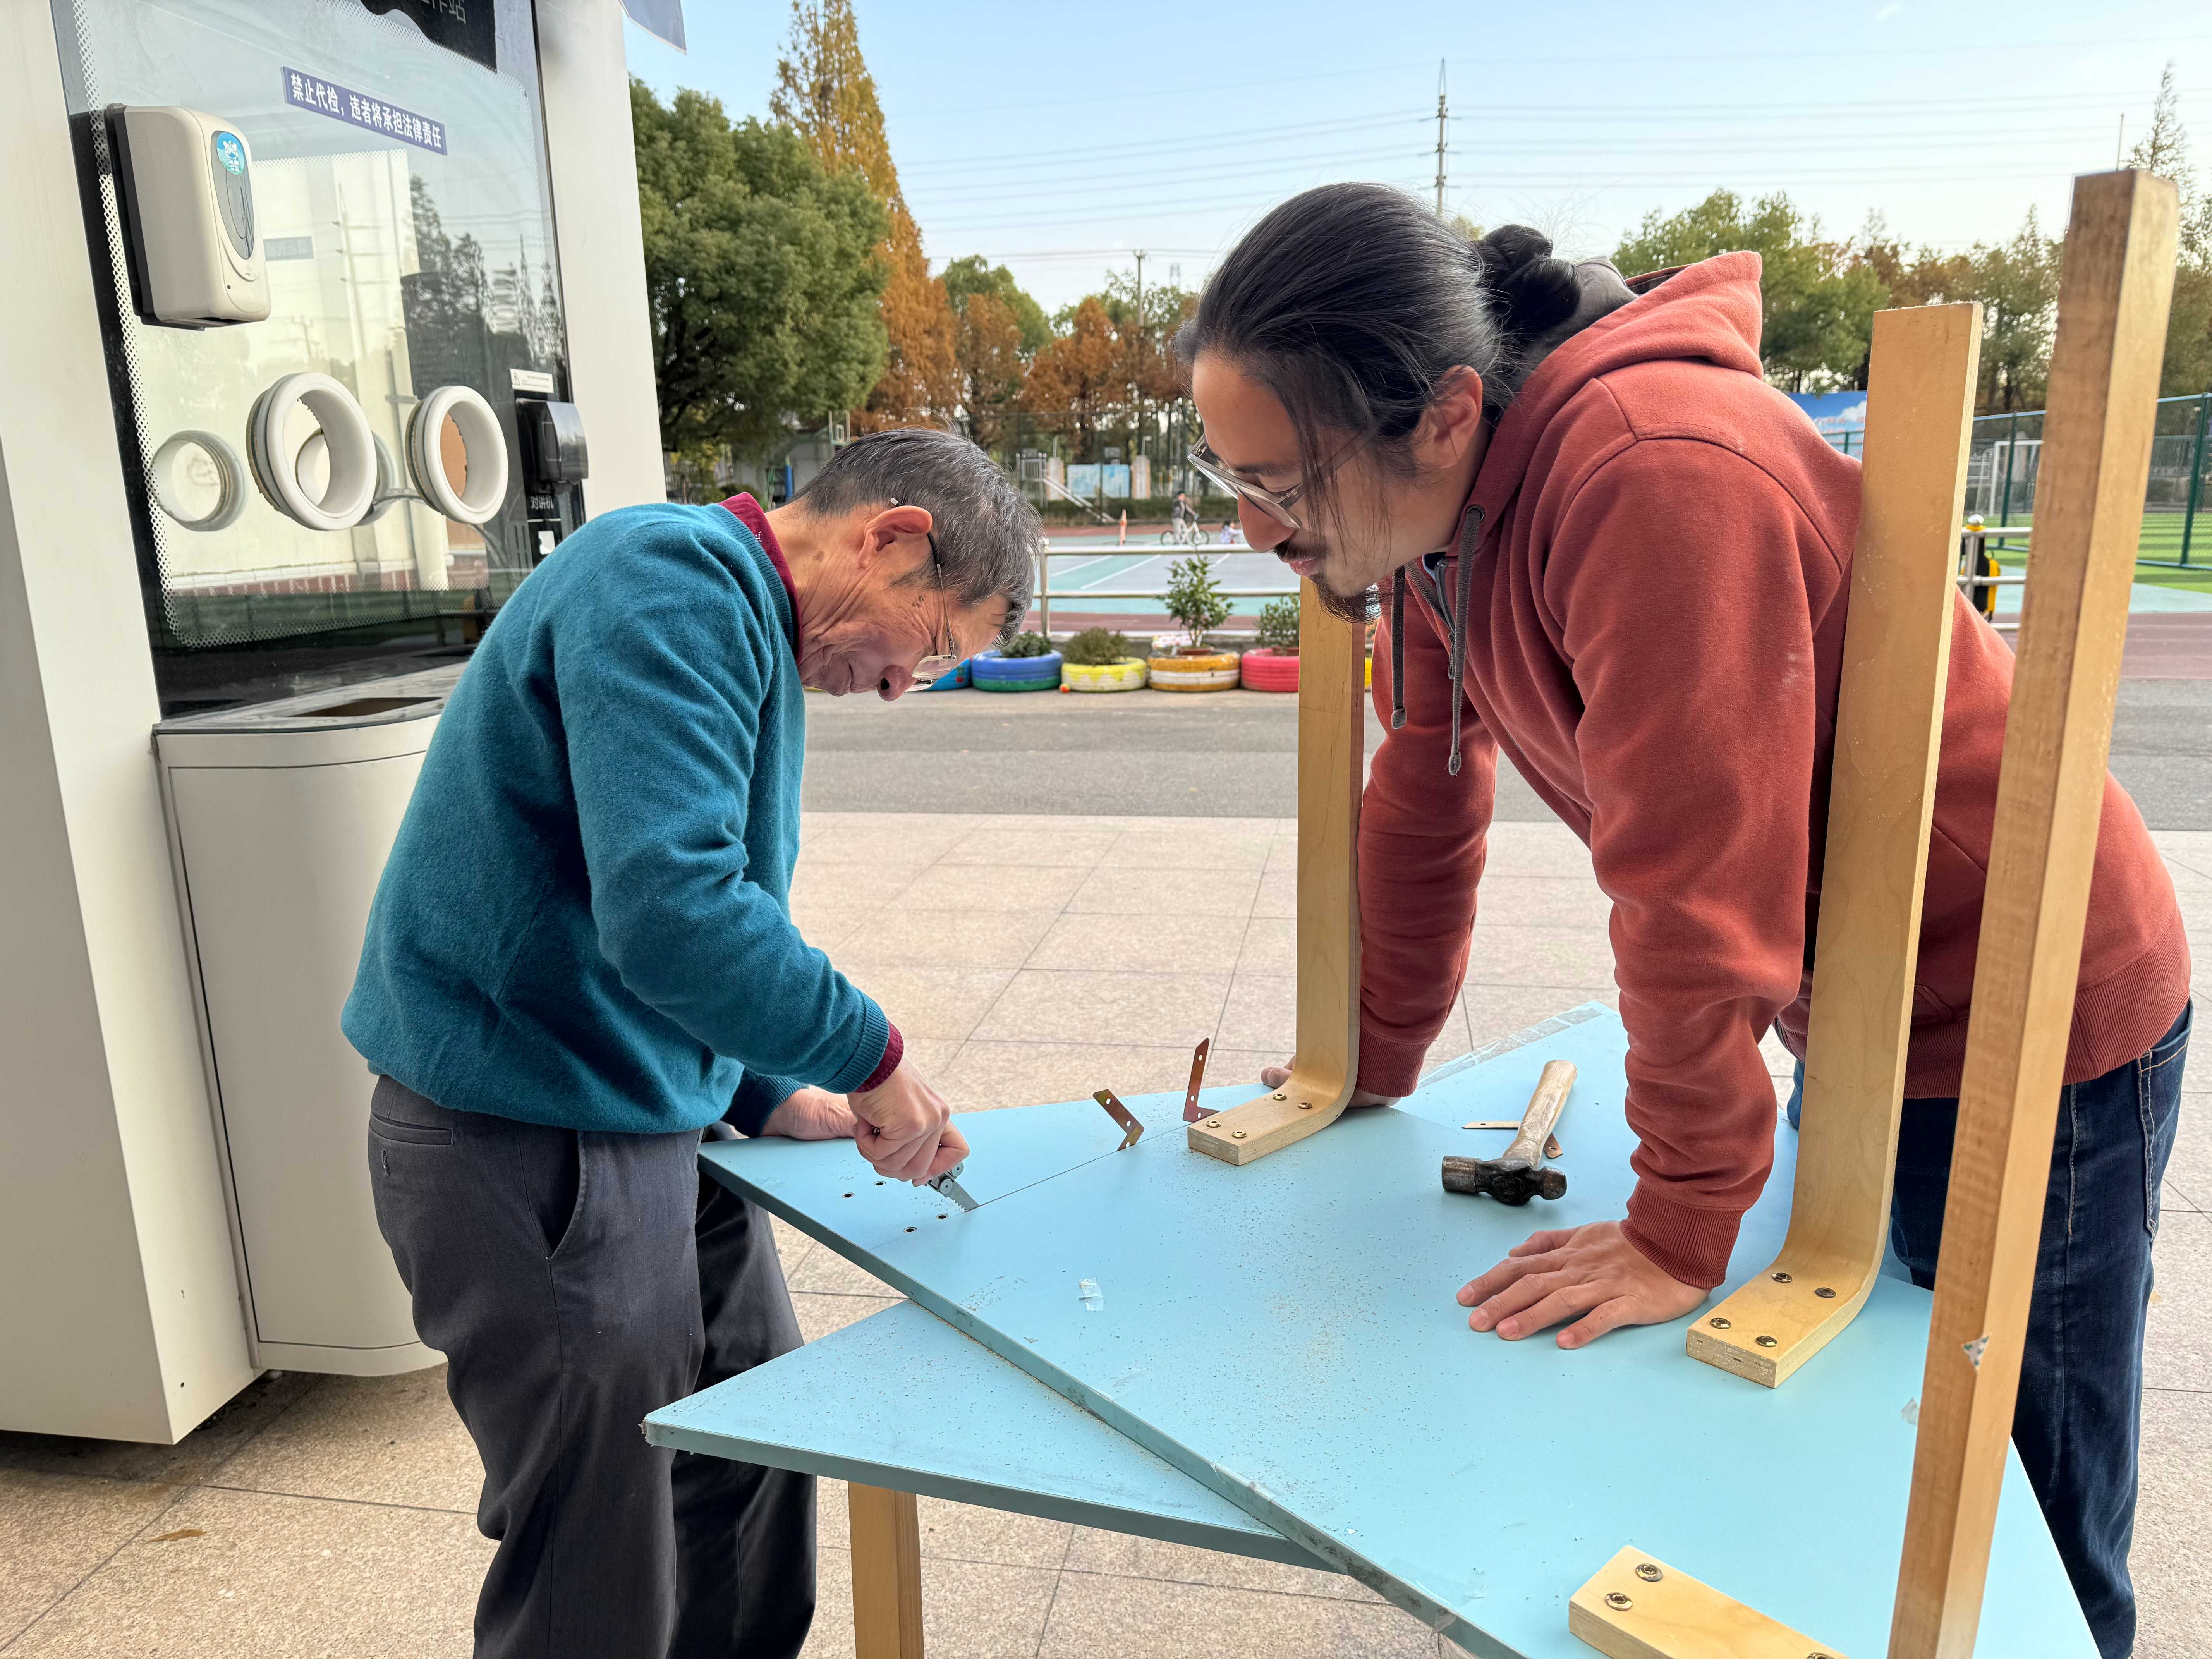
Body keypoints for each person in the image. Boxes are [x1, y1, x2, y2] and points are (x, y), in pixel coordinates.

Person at [1179, 184, 2187, 1658]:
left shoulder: (1650, 473)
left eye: (1284, 482)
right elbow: (1425, 787)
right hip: (1860, 993)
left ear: (1445, 413)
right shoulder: (1434, 522)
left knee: (2019, 1509)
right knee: (1865, 1438)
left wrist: (1680, 1220)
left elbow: (1693, 895)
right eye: (1232, 479)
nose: (1259, 529)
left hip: (2026, 995)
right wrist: (1371, 1057)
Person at [342, 428, 1037, 1659]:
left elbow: (659, 901)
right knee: (599, 1553)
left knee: (756, 1448)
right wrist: (872, 1058)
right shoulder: (667, 580)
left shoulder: (745, 619)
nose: (901, 688)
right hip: (529, 1127)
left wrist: (767, 1089)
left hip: (645, 1104)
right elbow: (675, 911)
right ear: (890, 538)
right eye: (928, 647)